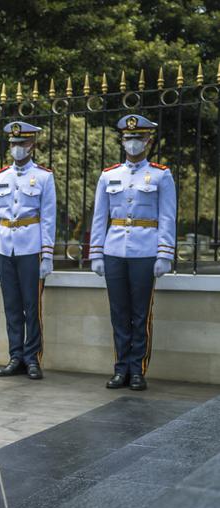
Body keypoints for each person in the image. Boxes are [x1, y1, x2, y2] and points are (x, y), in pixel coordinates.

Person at [90, 114, 176, 391]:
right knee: (118, 313)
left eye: (138, 138)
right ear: (122, 140)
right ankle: (120, 368)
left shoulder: (162, 175)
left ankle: (137, 369)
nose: (133, 143)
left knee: (141, 314)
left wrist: (164, 253)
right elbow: (99, 217)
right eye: (128, 138)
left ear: (148, 141)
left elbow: (167, 217)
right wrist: (97, 253)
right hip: (114, 250)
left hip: (146, 250)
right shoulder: (109, 175)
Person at [0, 121, 57, 381]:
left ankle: (32, 359)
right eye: (14, 144)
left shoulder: (43, 177)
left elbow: (48, 219)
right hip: (5, 246)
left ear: (32, 145)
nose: (17, 148)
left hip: (31, 247)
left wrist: (47, 254)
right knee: (12, 307)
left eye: (22, 143)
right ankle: (15, 356)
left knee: (32, 306)